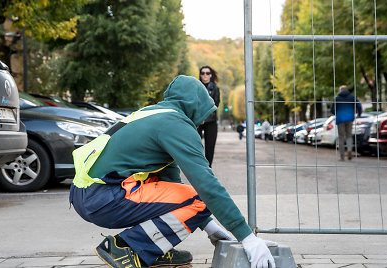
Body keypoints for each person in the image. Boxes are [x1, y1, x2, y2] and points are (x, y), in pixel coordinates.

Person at [69, 76, 276, 268]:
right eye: (205, 112)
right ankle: (128, 247)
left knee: (181, 193)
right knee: (200, 198)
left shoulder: (152, 114)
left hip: (88, 193)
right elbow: (206, 184)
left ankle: (152, 250)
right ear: (194, 105)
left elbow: (170, 181)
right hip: (105, 197)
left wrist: (209, 226)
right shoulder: (175, 124)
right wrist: (246, 237)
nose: (204, 120)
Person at [330, 85, 362, 161]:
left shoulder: (336, 98)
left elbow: (332, 110)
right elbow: (359, 106)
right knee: (349, 135)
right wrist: (359, 114)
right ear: (347, 90)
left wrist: (337, 113)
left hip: (340, 118)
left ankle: (342, 156)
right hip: (350, 118)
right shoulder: (352, 97)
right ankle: (350, 149)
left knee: (341, 137)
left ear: (340, 90)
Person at [197, 66, 220, 168]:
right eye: (202, 73)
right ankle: (197, 166)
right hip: (197, 121)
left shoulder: (215, 88)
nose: (204, 75)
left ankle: (208, 168)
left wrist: (204, 117)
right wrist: (198, 117)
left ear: (210, 75)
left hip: (210, 121)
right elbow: (192, 104)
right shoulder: (196, 87)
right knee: (195, 145)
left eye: (207, 73)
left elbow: (215, 105)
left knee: (210, 146)